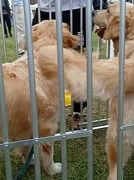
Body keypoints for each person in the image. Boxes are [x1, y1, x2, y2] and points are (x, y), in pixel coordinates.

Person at [32, 0, 108, 130]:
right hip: (46, 12)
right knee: (39, 62)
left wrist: (102, 9)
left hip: (76, 11)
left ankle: (77, 113)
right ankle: (42, 111)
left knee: (77, 65)